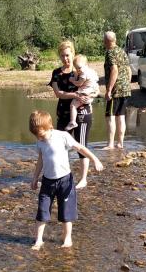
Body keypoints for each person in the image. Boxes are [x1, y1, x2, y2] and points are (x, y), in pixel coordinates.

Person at [29, 110, 103, 250]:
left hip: (65, 181)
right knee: (42, 210)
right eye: (36, 136)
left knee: (66, 211)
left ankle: (67, 237)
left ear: (49, 126)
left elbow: (80, 147)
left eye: (41, 134)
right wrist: (35, 177)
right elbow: (40, 160)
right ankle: (38, 240)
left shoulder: (62, 136)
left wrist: (95, 159)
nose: (39, 138)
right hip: (47, 182)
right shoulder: (39, 142)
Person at [49, 40, 94, 189]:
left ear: (72, 54)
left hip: (82, 113)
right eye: (62, 56)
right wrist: (76, 95)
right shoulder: (57, 73)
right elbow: (58, 93)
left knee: (81, 145)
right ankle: (63, 176)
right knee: (61, 146)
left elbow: (94, 86)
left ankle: (83, 179)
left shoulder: (81, 70)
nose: (65, 59)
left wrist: (91, 96)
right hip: (63, 114)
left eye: (67, 55)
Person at [103, 31, 131, 150]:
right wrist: (127, 84)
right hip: (125, 89)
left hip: (116, 90)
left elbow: (114, 70)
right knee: (121, 116)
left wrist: (109, 90)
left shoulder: (110, 53)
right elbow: (129, 69)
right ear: (115, 40)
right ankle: (120, 143)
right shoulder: (122, 51)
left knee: (111, 116)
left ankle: (110, 144)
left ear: (106, 41)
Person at [65, 54, 99, 131]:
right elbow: (96, 81)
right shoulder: (92, 71)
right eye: (76, 68)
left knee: (73, 106)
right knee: (88, 104)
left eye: (79, 67)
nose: (78, 70)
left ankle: (72, 122)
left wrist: (72, 80)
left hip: (84, 92)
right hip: (92, 91)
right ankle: (91, 116)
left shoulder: (84, 74)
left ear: (86, 64)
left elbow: (79, 83)